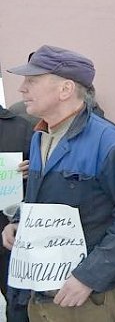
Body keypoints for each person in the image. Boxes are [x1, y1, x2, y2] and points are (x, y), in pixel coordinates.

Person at [2, 45, 115, 322]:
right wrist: (19, 222)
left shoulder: (108, 142)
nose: (22, 89)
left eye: (32, 81)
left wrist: (89, 276)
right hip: (40, 291)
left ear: (65, 89)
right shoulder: (40, 136)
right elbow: (41, 198)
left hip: (87, 299)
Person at [0, 104, 33, 322]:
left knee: (19, 306)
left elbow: (44, 182)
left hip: (10, 235)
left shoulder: (21, 128)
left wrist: (34, 170)